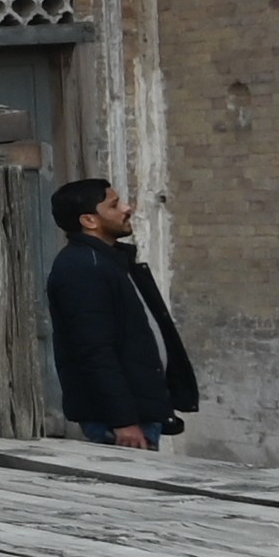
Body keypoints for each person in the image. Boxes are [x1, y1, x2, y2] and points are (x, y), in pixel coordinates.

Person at [43, 174, 198, 451]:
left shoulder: (110, 260)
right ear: (89, 220)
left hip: (141, 412)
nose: (127, 208)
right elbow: (94, 351)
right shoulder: (82, 267)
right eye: (114, 205)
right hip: (121, 423)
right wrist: (122, 420)